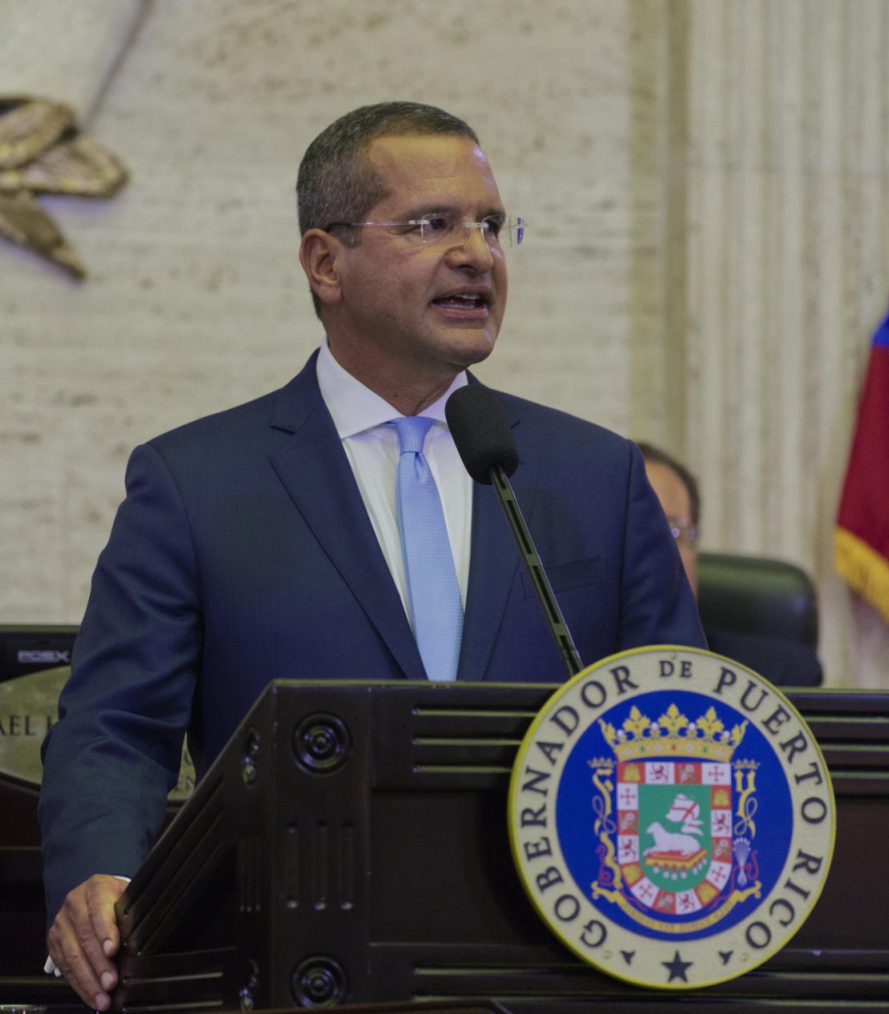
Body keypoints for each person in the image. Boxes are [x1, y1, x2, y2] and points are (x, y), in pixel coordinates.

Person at [40, 101, 705, 1010]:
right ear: (325, 262)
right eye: (432, 224)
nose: (477, 253)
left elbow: (682, 724)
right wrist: (100, 876)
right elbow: (115, 728)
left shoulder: (595, 476)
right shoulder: (197, 483)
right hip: (296, 964)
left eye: (492, 226)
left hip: (556, 971)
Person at [637, 442, 823, 687]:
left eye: (672, 531)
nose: (656, 551)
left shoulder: (776, 677)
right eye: (635, 531)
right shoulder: (572, 677)